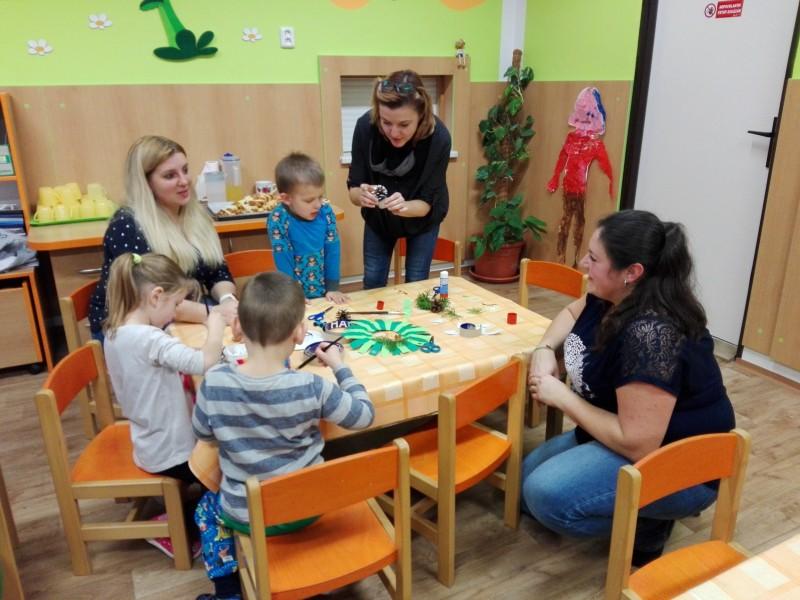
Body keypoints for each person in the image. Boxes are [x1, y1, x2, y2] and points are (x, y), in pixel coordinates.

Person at [521, 209, 735, 566]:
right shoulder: (610, 295)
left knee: (546, 498)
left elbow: (638, 442)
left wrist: (563, 397)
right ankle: (646, 508)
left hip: (680, 462)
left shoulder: (651, 335)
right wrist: (545, 349)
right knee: (526, 485)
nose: (583, 263)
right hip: (628, 435)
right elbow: (571, 314)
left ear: (631, 273)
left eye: (594, 258)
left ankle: (651, 520)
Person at [192, 271, 374, 600]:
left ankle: (227, 592)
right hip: (308, 506)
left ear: (237, 328)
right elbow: (364, 415)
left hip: (245, 514)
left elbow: (203, 433)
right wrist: (340, 367)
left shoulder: (214, 381)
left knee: (206, 510)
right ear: (300, 333)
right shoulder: (312, 387)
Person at [103, 252, 226, 558]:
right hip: (173, 453)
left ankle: (181, 517)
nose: (174, 313)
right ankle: (180, 527)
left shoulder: (115, 332)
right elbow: (205, 361)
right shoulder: (149, 339)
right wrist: (215, 323)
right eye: (176, 304)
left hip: (149, 443)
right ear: (156, 297)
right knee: (227, 464)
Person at [89, 135, 238, 340]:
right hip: (131, 329)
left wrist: (228, 300)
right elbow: (155, 302)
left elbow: (217, 272)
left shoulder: (197, 215)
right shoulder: (127, 226)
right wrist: (217, 313)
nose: (184, 181)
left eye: (185, 170)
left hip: (183, 314)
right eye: (170, 176)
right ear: (146, 183)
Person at [347, 69, 452, 288]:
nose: (394, 133)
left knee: (416, 282)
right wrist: (361, 195)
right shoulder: (365, 126)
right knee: (373, 281)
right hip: (379, 220)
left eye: (404, 125)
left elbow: (426, 205)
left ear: (421, 115)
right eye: (386, 122)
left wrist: (403, 207)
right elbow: (354, 189)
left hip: (422, 219)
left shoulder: (439, 138)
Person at [268, 152, 348, 303]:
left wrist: (332, 288)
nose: (318, 204)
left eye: (320, 197)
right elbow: (283, 260)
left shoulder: (326, 212)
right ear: (286, 198)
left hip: (325, 293)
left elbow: (332, 251)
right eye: (309, 200)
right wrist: (292, 294)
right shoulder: (278, 219)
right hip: (293, 294)